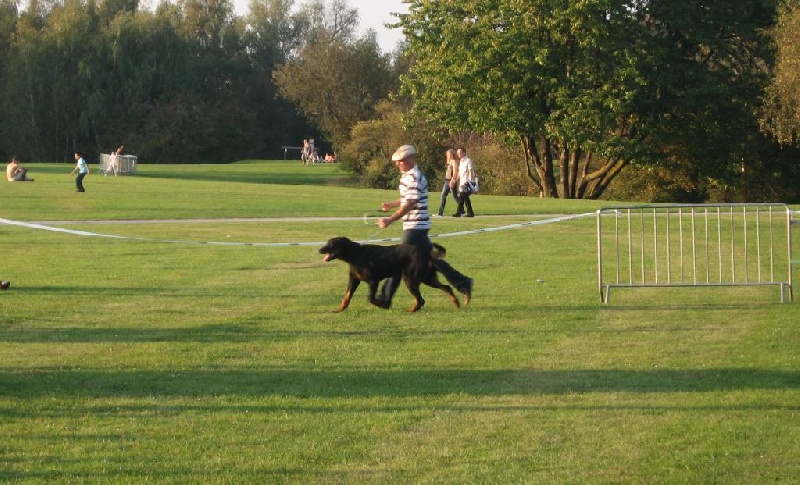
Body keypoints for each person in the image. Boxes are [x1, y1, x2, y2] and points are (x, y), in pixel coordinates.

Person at [377, 144, 474, 306]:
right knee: (433, 260)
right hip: (415, 226)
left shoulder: (414, 176)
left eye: (400, 161)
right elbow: (407, 198)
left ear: (410, 159)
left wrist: (389, 219)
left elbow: (410, 203)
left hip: (416, 227)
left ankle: (384, 298)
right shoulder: (407, 176)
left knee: (398, 260)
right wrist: (392, 204)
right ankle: (463, 283)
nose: (397, 164)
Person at [436, 149, 459, 217]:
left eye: (448, 154)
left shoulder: (454, 162)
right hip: (447, 181)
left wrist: (453, 181)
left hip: (451, 181)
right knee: (443, 195)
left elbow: (455, 172)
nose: (447, 155)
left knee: (454, 196)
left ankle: (462, 210)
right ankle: (440, 213)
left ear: (452, 154)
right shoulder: (449, 162)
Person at [453, 147, 475, 217]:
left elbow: (470, 170)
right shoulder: (461, 162)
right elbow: (460, 172)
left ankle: (459, 212)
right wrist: (455, 179)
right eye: (457, 153)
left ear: (463, 153)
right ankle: (470, 212)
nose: (458, 154)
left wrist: (470, 181)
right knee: (465, 198)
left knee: (461, 197)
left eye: (459, 153)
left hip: (466, 182)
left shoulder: (468, 160)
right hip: (462, 183)